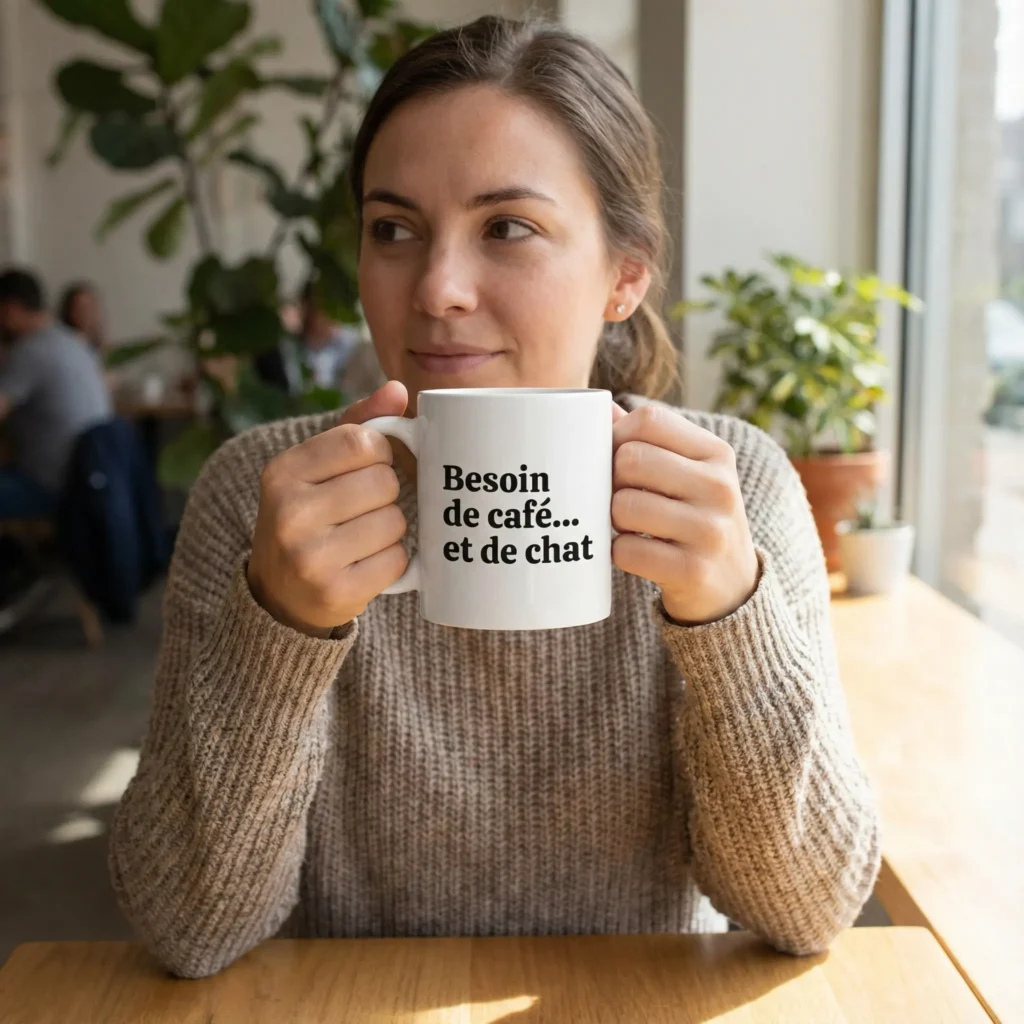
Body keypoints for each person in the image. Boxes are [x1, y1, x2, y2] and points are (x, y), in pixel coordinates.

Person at [110, 17, 880, 980]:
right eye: (393, 230)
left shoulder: (729, 491)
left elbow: (807, 909)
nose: (436, 288)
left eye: (507, 228)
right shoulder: (262, 499)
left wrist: (728, 614)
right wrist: (283, 626)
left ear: (624, 274)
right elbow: (189, 927)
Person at [0, 268, 112, 518]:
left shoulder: (29, 350)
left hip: (51, 487)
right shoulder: (73, 341)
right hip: (90, 482)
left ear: (11, 309)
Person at [59, 281, 109, 355]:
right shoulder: (67, 344)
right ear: (70, 312)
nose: (88, 313)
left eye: (92, 306)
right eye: (82, 308)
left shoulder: (99, 342)